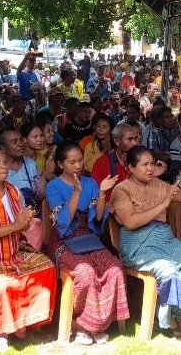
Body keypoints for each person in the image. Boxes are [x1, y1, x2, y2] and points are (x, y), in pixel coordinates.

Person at [109, 146, 181, 337]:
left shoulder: (157, 183)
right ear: (130, 167)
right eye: (144, 165)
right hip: (137, 243)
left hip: (164, 238)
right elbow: (130, 222)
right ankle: (167, 319)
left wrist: (166, 187)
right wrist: (162, 204)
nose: (149, 168)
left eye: (152, 164)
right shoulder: (121, 190)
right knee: (168, 270)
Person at [0, 150, 56, 352]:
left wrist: (25, 224)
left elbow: (20, 224)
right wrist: (15, 226)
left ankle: (28, 322)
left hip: (14, 246)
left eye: (4, 162)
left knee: (46, 268)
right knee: (0, 283)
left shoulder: (14, 191)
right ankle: (1, 332)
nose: (4, 166)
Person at [45, 141, 127, 345]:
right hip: (63, 240)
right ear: (59, 164)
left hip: (88, 238)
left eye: (80, 160)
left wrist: (101, 193)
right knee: (85, 272)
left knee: (115, 268)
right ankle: (79, 324)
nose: (78, 166)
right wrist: (76, 193)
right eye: (72, 162)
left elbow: (98, 218)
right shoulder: (53, 186)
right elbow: (63, 221)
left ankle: (98, 324)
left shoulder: (90, 183)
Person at [0, 127, 46, 218]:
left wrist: (44, 180)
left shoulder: (31, 165)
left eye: (21, 140)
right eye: (14, 142)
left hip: (32, 214)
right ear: (3, 147)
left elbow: (40, 196)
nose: (20, 144)